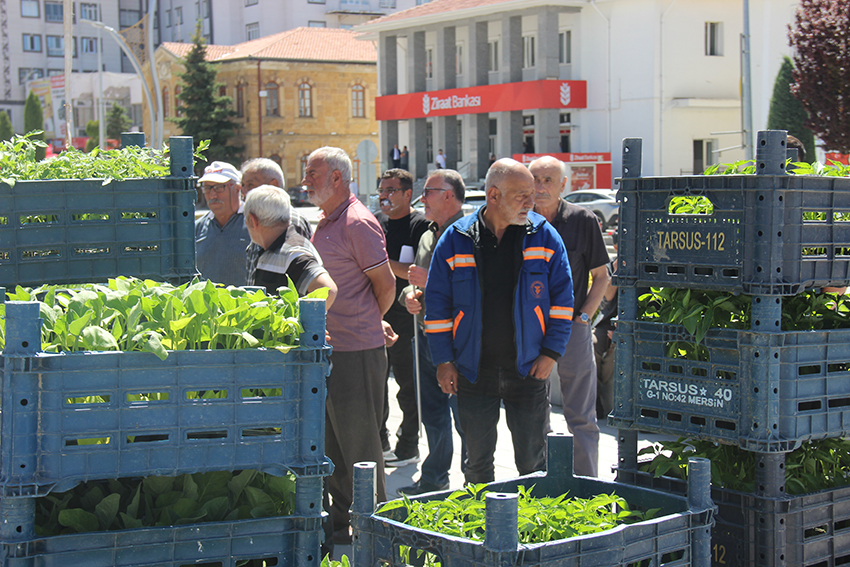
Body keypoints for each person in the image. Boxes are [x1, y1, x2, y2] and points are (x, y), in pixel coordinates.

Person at [424, 158, 574, 483]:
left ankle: (535, 531)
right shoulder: (455, 239)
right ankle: (482, 530)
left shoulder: (545, 237)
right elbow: (437, 307)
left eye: (531, 194)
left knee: (533, 465)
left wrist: (552, 354)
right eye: (521, 195)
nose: (530, 202)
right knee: (476, 466)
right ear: (493, 195)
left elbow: (563, 301)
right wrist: (444, 361)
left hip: (529, 371)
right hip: (473, 372)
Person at [302, 146, 396, 545]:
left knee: (360, 448)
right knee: (335, 447)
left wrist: (368, 323)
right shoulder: (327, 221)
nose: (305, 181)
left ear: (336, 178)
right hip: (332, 350)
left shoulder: (358, 222)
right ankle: (344, 528)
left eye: (312, 173)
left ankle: (375, 531)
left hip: (356, 351)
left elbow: (386, 285)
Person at [530, 155, 610, 477]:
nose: (540, 186)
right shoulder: (520, 221)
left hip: (572, 327)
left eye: (548, 180)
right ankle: (543, 482)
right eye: (535, 179)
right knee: (535, 414)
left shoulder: (583, 220)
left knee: (581, 416)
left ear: (564, 184)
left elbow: (602, 276)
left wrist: (585, 318)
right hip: (531, 328)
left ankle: (587, 488)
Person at [397, 168, 468, 496]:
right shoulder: (427, 235)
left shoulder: (471, 236)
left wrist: (430, 283)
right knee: (433, 415)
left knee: (466, 418)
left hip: (459, 343)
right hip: (425, 336)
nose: (421, 198)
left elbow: (477, 289)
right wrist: (410, 297)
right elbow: (417, 284)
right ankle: (434, 479)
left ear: (449, 196)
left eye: (428, 191)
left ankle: (475, 485)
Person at [375, 169, 431, 468]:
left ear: (408, 194)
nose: (384, 194)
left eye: (391, 190)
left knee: (408, 385)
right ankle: (380, 442)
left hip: (406, 316)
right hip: (377, 313)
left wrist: (380, 263)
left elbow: (412, 271)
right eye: (381, 189)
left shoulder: (419, 224)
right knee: (376, 382)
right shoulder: (377, 222)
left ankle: (408, 446)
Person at [243, 184, 337, 308]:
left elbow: (328, 291)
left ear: (252, 221)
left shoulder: (292, 252)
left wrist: (304, 325)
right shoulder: (273, 247)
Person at [194, 161, 250, 286]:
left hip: (246, 304)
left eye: (219, 187)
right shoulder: (197, 228)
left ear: (237, 189)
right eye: (207, 188)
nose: (212, 194)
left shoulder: (255, 223)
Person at [241, 158, 312, 238]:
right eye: (243, 185)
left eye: (250, 185)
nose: (244, 191)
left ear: (273, 185)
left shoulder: (290, 222)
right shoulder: (259, 218)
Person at [594, 230, 618, 419]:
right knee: (592, 343)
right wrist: (620, 267)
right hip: (608, 324)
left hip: (631, 324)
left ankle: (614, 406)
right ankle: (595, 405)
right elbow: (608, 296)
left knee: (616, 350)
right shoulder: (612, 266)